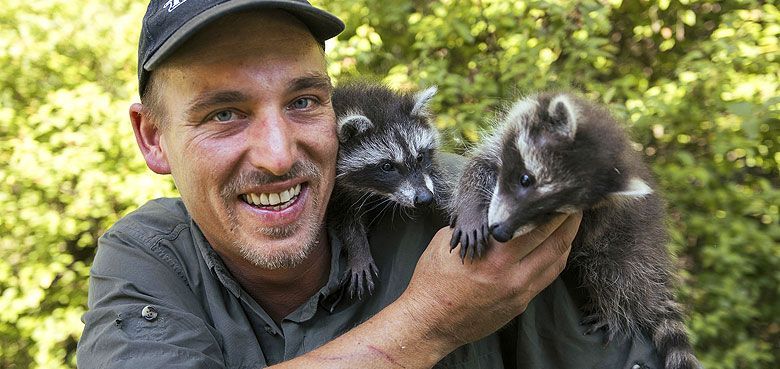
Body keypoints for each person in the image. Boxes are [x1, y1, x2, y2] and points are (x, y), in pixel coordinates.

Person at [77, 1, 662, 368]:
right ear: (152, 137)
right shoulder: (146, 257)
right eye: (224, 114)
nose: (279, 157)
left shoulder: (469, 200)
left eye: (305, 101)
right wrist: (432, 318)